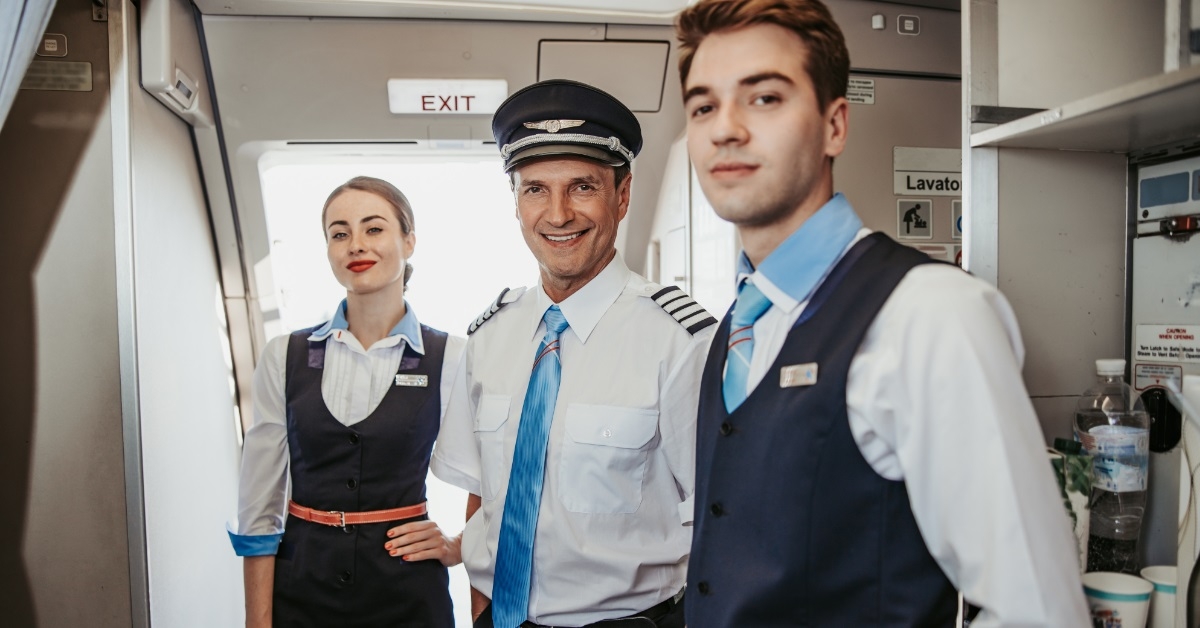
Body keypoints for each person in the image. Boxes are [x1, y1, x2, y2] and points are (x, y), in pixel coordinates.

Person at [674, 1, 1090, 626]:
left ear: (834, 125)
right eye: (704, 106)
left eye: (764, 98)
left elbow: (1037, 609)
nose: (725, 128)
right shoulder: (735, 326)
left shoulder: (929, 312)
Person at [430, 79, 716, 628]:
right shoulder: (489, 335)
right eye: (535, 189)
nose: (557, 214)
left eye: (582, 187)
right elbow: (483, 493)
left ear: (623, 195)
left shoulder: (681, 342)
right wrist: (481, 606)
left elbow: (722, 515)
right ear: (515, 201)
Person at [228, 176, 464, 627]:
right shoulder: (284, 356)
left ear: (409, 241)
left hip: (409, 597)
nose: (356, 245)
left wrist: (459, 546)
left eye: (373, 229)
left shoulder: (452, 356)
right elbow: (259, 509)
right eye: (339, 233)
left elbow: (494, 475)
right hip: (301, 593)